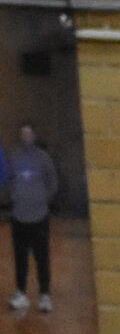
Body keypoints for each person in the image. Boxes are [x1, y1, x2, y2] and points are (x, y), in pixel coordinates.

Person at [6, 123, 57, 314]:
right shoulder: (14, 157)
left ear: (34, 136)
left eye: (29, 133)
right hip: (19, 217)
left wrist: (42, 200)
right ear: (20, 136)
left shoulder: (44, 158)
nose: (26, 137)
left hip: (39, 217)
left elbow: (52, 183)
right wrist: (15, 197)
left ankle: (44, 294)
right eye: (23, 134)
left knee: (42, 257)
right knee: (20, 258)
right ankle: (21, 293)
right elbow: (9, 180)